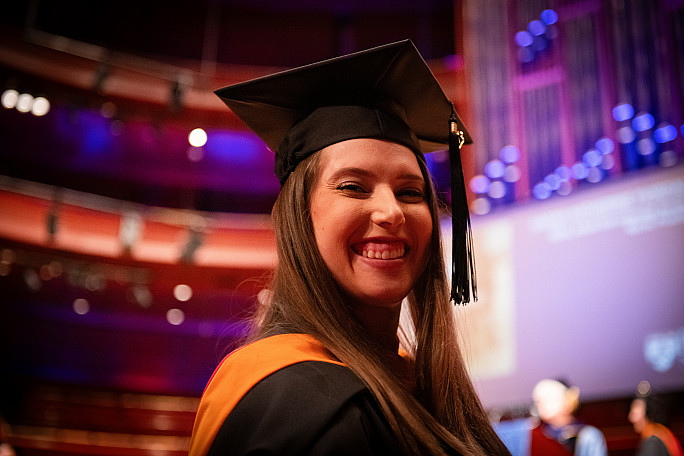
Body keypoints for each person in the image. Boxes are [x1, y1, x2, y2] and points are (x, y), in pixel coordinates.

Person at [189, 40, 511, 455]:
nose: (391, 212)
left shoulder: (417, 386)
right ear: (300, 218)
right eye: (353, 187)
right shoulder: (298, 401)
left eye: (411, 192)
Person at [529, 379, 607, 456]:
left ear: (568, 401)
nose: (542, 404)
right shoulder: (532, 434)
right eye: (538, 401)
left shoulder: (588, 436)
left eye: (549, 399)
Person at [628, 382, 683, 456]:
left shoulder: (652, 442)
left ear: (648, 412)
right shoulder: (661, 434)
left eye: (635, 413)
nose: (631, 418)